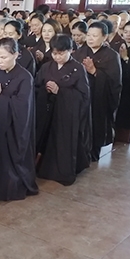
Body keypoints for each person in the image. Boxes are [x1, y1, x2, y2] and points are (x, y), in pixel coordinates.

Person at [0, 38, 38, 200]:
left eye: (4, 58)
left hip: (12, 129)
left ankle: (9, 188)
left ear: (15, 55)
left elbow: (23, 107)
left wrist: (0, 96)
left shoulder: (25, 77)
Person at [35, 35, 91, 186]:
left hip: (67, 114)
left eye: (61, 53)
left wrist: (60, 91)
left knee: (63, 141)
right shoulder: (47, 66)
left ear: (71, 51)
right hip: (47, 111)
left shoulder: (78, 68)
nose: (57, 57)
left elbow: (83, 95)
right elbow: (36, 86)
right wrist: (45, 91)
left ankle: (62, 172)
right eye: (54, 53)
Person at [73, 22, 122, 161]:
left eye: (94, 36)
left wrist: (94, 71)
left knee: (95, 124)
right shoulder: (80, 52)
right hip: (81, 96)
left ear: (104, 37)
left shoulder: (111, 56)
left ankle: (93, 152)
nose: (90, 38)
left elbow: (115, 82)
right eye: (88, 35)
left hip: (99, 98)